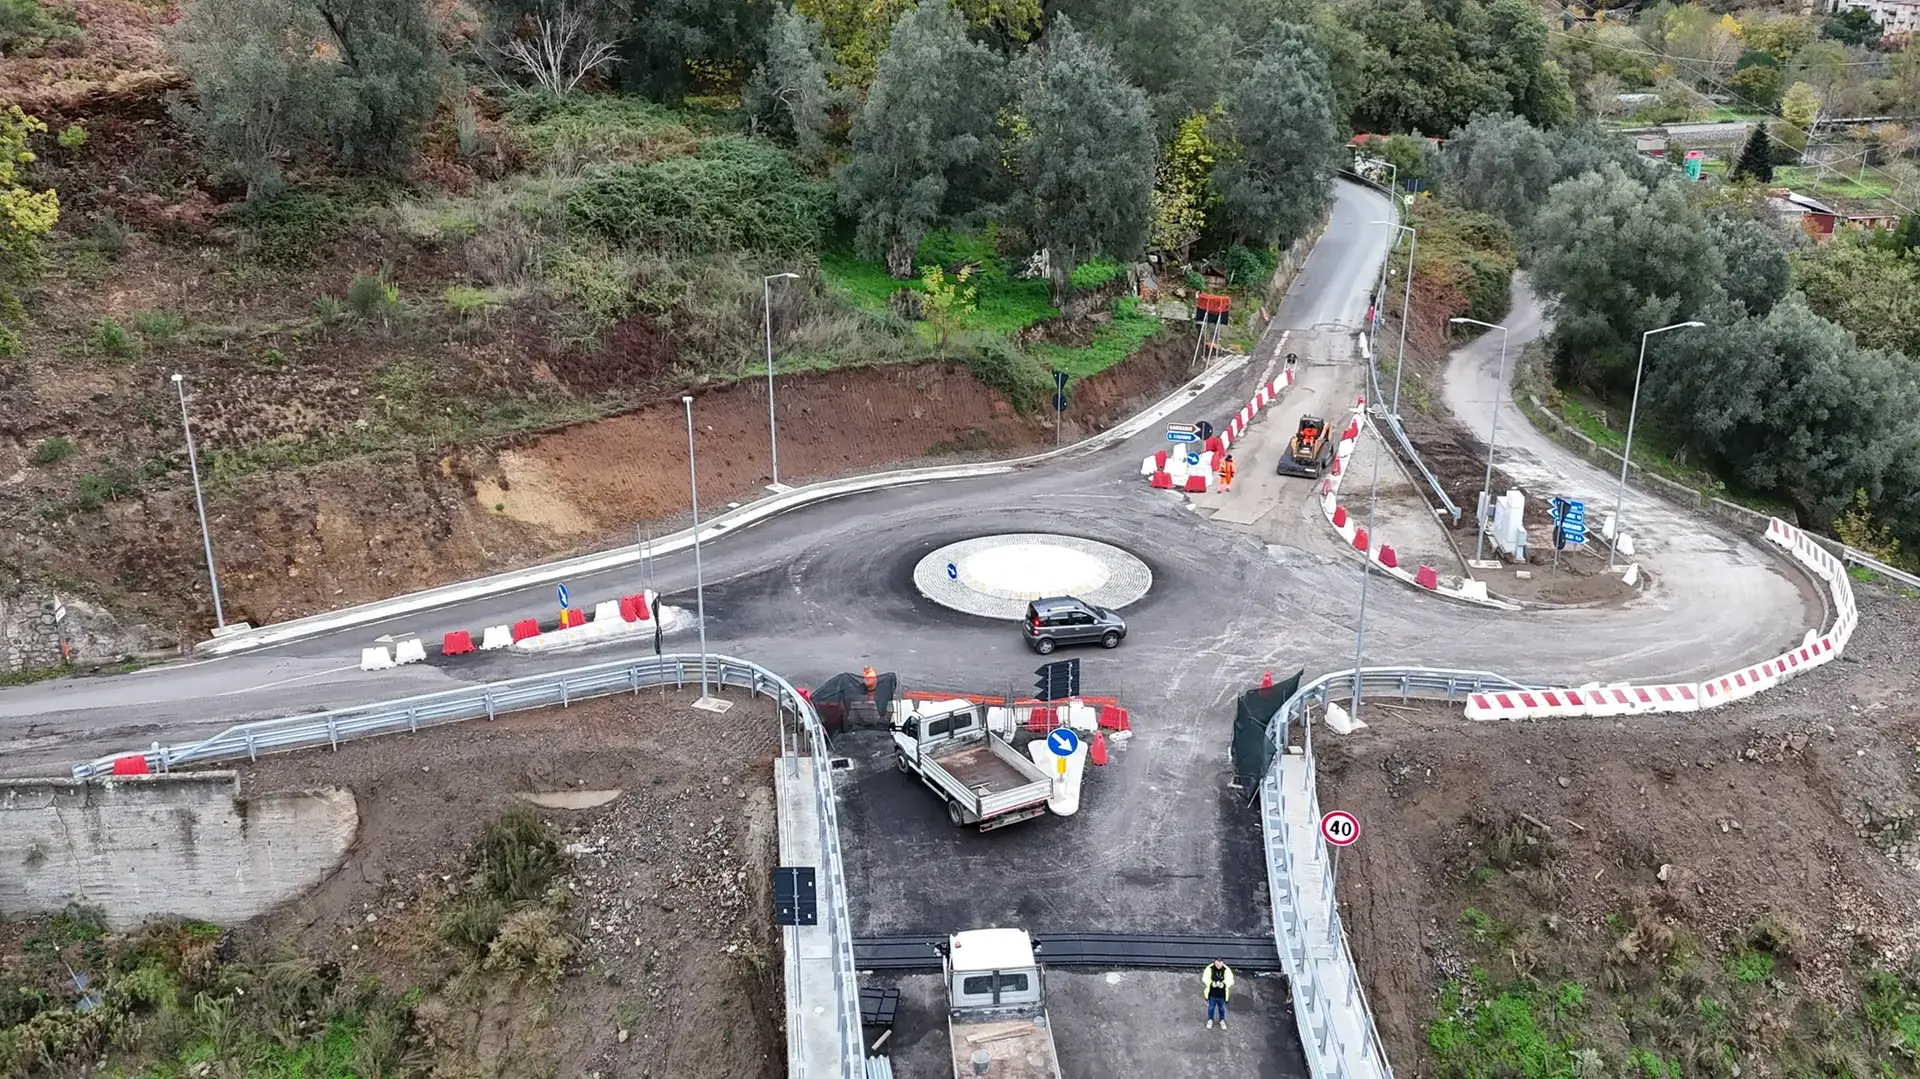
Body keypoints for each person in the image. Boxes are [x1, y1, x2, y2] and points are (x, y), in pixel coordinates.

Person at [1202, 959, 1234, 1029]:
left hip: (1222, 995)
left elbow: (1230, 980)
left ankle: (1221, 1020)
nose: (1218, 966)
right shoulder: (1209, 969)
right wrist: (1211, 984)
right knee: (1211, 1008)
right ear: (1214, 963)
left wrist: (1224, 985)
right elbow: (1205, 978)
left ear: (1222, 963)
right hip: (1212, 994)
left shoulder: (1226, 970)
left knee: (1222, 1008)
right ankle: (1210, 1020)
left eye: (1220, 964)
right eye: (1217, 964)